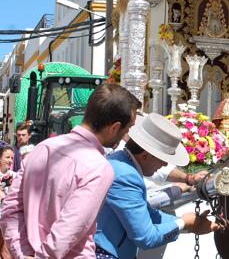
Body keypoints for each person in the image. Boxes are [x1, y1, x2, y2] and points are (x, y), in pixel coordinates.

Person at [0, 83, 141, 258]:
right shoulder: (99, 168)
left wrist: (22, 253)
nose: (127, 134)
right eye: (128, 128)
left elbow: (10, 210)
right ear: (114, 128)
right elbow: (69, 229)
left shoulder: (41, 149)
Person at [94, 114, 220, 259]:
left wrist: (190, 224)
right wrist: (185, 223)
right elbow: (146, 238)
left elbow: (149, 214)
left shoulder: (123, 162)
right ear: (145, 155)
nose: (165, 164)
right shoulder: (126, 176)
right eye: (163, 159)